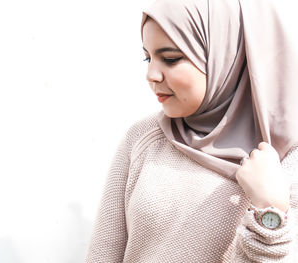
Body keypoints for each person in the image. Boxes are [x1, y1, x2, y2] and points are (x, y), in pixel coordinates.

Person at [86, 0, 298, 261]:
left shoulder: (288, 160)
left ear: (228, 55)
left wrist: (270, 211)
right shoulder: (142, 138)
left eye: (171, 59)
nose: (151, 74)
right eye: (148, 57)